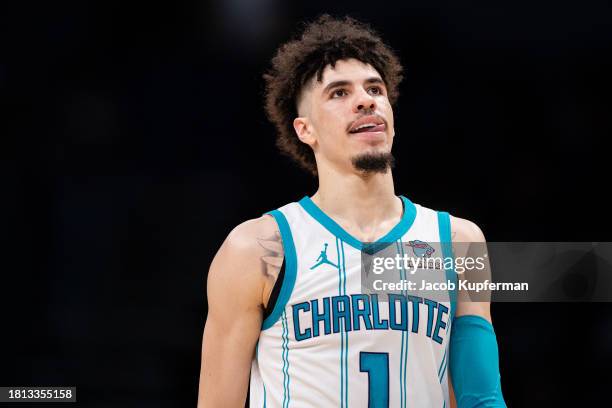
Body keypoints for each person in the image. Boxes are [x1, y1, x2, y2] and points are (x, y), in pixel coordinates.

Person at [198, 14, 506, 408]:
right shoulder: (257, 249)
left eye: (375, 89)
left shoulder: (459, 241)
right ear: (304, 129)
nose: (366, 100)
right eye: (339, 93)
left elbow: (481, 398)